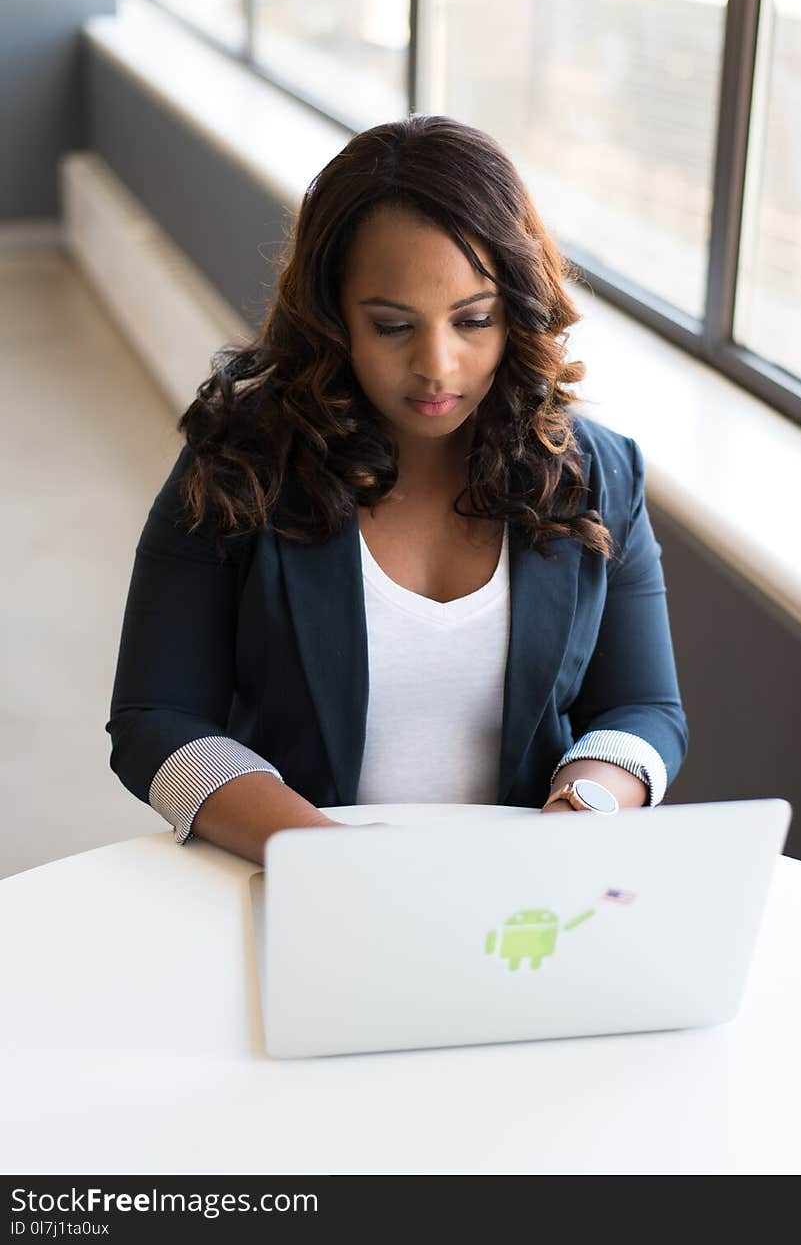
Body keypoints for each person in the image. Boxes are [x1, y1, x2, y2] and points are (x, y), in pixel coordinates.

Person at [106, 114, 688, 865]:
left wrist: (587, 801)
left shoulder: (600, 474)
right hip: (299, 881)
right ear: (332, 316)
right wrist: (323, 854)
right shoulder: (239, 464)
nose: (438, 366)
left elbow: (645, 708)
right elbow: (156, 718)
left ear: (516, 310)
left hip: (518, 902)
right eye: (392, 327)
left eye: (474, 319)